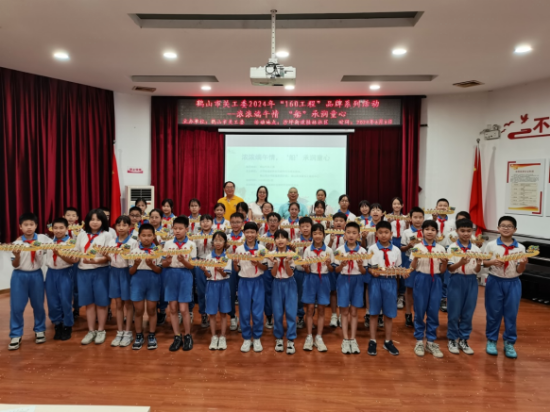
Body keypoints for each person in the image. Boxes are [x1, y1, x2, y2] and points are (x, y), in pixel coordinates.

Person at [483, 216, 527, 359]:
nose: (506, 228)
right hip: (494, 281)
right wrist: (492, 262)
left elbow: (520, 270)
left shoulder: (521, 248)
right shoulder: (491, 245)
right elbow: (483, 263)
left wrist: (523, 264)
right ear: (498, 228)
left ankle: (509, 342)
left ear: (515, 229)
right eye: (503, 225)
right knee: (493, 313)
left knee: (511, 314)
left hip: (513, 283)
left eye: (509, 226)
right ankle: (491, 340)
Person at [8, 213, 52, 350]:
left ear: (36, 226)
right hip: (19, 276)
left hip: (36, 275)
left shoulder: (43, 239)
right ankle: (16, 334)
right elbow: (15, 265)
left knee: (38, 305)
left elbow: (56, 243)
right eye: (25, 225)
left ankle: (40, 330)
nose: (29, 227)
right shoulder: (16, 244)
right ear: (20, 227)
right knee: (17, 307)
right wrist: (17, 256)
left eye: (31, 225)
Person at [410, 220, 448, 359]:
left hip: (436, 280)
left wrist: (444, 263)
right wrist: (416, 258)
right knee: (419, 310)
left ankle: (431, 341)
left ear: (437, 232)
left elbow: (442, 270)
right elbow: (413, 267)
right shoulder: (417, 247)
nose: (430, 232)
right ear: (422, 232)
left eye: (433, 229)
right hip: (421, 279)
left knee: (433, 311)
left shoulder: (441, 249)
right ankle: (419, 341)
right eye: (427, 229)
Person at [75, 209, 111, 346]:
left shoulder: (107, 235)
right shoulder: (81, 234)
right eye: (92, 219)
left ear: (103, 221)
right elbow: (77, 252)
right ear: (87, 221)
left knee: (101, 302)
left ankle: (101, 330)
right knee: (88, 302)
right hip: (83, 272)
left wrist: (95, 261)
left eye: (98, 219)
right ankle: (91, 330)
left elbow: (109, 257)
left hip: (101, 271)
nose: (95, 222)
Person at [367, 221, 403, 356]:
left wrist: (400, 274)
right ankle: (372, 340)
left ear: (391, 234)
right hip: (375, 282)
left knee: (389, 313)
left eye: (386, 232)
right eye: (380, 232)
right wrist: (372, 272)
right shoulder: (371, 249)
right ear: (376, 234)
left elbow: (398, 268)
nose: (383, 235)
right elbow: (368, 267)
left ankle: (388, 341)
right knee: (374, 313)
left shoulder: (396, 250)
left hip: (390, 282)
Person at [446, 219, 481, 355]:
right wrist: (461, 262)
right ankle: (452, 339)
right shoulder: (452, 247)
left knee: (468, 312)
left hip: (471, 281)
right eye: (462, 231)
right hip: (456, 280)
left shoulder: (476, 249)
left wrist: (479, 264)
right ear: (457, 231)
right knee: (454, 312)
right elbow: (450, 268)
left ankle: (464, 339)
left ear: (472, 231)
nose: (466, 233)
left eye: (468, 231)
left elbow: (477, 270)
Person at [161, 216, 196, 352]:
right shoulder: (168, 244)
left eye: (180, 228)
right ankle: (177, 336)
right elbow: (163, 264)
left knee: (184, 309)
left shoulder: (191, 244)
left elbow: (192, 266)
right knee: (173, 308)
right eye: (175, 228)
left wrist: (183, 261)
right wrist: (168, 262)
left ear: (187, 229)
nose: (177, 231)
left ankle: (188, 335)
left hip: (185, 276)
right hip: (170, 275)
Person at [233, 222, 268, 353]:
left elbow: (266, 268)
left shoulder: (262, 249)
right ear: (244, 233)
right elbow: (237, 269)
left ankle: (257, 337)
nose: (250, 235)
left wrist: (257, 263)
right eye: (247, 232)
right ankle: (247, 338)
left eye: (252, 232)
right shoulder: (239, 249)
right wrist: (235, 264)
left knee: (258, 311)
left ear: (257, 233)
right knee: (244, 311)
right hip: (244, 282)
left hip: (258, 282)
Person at [335, 222, 368, 355]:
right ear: (344, 235)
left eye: (354, 233)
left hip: (357, 281)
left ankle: (353, 339)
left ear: (359, 235)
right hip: (343, 280)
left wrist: (360, 266)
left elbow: (364, 272)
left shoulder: (363, 251)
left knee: (354, 311)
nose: (351, 235)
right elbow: (336, 270)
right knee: (344, 311)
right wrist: (341, 265)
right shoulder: (339, 251)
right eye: (348, 232)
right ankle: (345, 339)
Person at [129, 224, 162, 350]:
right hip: (137, 281)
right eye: (143, 235)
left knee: (152, 310)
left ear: (154, 236)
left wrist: (151, 265)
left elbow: (159, 270)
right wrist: (136, 265)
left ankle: (151, 335)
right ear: (139, 236)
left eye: (149, 235)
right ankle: (139, 335)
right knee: (138, 311)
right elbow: (131, 272)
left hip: (153, 281)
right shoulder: (133, 251)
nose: (146, 238)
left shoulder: (158, 251)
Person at [302, 223, 334, 352]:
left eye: (320, 233)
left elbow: (331, 270)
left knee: (321, 309)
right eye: (315, 233)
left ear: (324, 235)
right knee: (310, 308)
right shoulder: (307, 250)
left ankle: (319, 337)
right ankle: (309, 336)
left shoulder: (329, 250)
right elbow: (307, 270)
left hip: (324, 279)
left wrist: (329, 264)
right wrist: (306, 267)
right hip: (311, 279)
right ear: (312, 235)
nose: (317, 236)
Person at [45, 217, 78, 342]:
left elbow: (73, 261)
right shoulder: (49, 242)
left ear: (67, 228)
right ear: (52, 229)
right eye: (55, 228)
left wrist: (60, 254)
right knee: (52, 301)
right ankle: (57, 324)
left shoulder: (71, 243)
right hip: (51, 273)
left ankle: (67, 325)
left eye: (61, 228)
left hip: (65, 272)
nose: (58, 230)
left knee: (65, 300)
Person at [108, 215, 138, 347]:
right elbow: (110, 258)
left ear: (130, 227)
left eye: (124, 225)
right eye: (118, 225)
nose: (121, 228)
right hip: (114, 273)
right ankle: (119, 331)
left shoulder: (133, 242)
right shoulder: (111, 242)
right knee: (118, 303)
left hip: (127, 272)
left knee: (128, 304)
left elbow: (133, 261)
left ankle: (128, 332)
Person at [268, 229, 297, 354]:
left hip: (289, 283)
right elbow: (273, 274)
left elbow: (290, 273)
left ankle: (290, 339)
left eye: (283, 237)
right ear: (274, 240)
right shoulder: (271, 254)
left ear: (287, 240)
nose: (280, 240)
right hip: (277, 283)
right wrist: (275, 263)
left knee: (291, 312)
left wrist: (286, 262)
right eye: (277, 238)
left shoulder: (292, 254)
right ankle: (279, 338)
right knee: (277, 312)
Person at [202, 231, 232, 351]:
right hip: (211, 285)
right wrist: (204, 270)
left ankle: (223, 336)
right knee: (212, 313)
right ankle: (214, 336)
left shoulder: (227, 257)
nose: (218, 242)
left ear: (225, 243)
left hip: (223, 285)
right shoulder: (208, 257)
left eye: (220, 240)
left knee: (223, 313)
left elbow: (225, 274)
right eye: (216, 240)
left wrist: (220, 270)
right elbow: (208, 275)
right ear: (212, 242)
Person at [400, 207, 425, 328]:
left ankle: (418, 315)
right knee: (409, 289)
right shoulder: (406, 232)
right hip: (409, 261)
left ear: (423, 218)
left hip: (423, 263)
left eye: (420, 217)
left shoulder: (427, 231)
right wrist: (409, 246)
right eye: (415, 217)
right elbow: (402, 248)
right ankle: (408, 314)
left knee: (420, 290)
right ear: (410, 218)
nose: (418, 220)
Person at [432, 198, 456, 313]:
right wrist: (434, 220)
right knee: (437, 274)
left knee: (446, 276)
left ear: (448, 208)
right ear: (436, 207)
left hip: (448, 250)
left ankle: (444, 298)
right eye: (440, 205)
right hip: (435, 250)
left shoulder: (452, 222)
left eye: (445, 205)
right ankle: (435, 296)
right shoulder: (431, 220)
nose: (442, 207)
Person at [325, 211, 348, 328]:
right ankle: (334, 315)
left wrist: (346, 240)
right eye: (336, 221)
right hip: (332, 266)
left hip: (344, 266)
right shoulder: (328, 236)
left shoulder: (348, 235)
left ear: (345, 223)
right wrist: (331, 241)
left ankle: (342, 315)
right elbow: (325, 250)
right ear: (333, 223)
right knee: (333, 291)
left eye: (341, 221)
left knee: (343, 291)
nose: (338, 223)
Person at [260, 212, 281, 329]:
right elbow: (260, 253)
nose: (273, 223)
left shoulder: (282, 236)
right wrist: (266, 249)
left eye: (275, 220)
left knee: (278, 293)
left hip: (280, 268)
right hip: (267, 268)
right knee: (267, 292)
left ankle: (278, 316)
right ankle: (268, 315)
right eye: (270, 221)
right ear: (267, 222)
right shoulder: (263, 237)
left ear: (279, 222)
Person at [385, 197, 408, 310]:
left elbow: (407, 230)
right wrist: (388, 222)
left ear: (402, 205)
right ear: (392, 205)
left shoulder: (405, 217)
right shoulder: (387, 217)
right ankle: (392, 293)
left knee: (402, 268)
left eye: (399, 204)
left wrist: (407, 223)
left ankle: (401, 295)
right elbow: (385, 230)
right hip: (392, 241)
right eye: (394, 204)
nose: (396, 206)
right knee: (391, 267)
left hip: (402, 241)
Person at [194, 214, 215, 329]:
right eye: (203, 221)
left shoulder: (216, 235)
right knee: (201, 291)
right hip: (200, 263)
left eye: (208, 221)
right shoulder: (196, 236)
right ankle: (203, 314)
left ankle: (212, 313)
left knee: (212, 291)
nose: (205, 223)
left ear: (212, 223)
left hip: (213, 263)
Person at [294, 216, 313, 329]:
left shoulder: (315, 241)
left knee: (312, 296)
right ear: (299, 228)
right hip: (299, 272)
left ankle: (311, 318)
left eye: (307, 226)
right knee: (300, 295)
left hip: (312, 272)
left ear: (311, 227)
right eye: (303, 226)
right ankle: (300, 316)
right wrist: (292, 249)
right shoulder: (295, 242)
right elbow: (292, 257)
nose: (305, 228)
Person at [227, 212, 245, 331]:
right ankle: (233, 316)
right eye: (233, 222)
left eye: (238, 222)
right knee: (230, 293)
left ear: (242, 223)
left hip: (244, 266)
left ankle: (243, 320)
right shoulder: (226, 237)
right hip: (230, 266)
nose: (235, 224)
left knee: (243, 294)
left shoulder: (247, 236)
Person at [63, 206, 81, 318]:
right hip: (64, 261)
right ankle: (66, 308)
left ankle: (77, 308)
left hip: (76, 261)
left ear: (77, 218)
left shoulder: (81, 231)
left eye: (73, 215)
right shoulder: (60, 229)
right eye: (68, 215)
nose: (70, 217)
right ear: (63, 216)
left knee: (76, 286)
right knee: (65, 286)